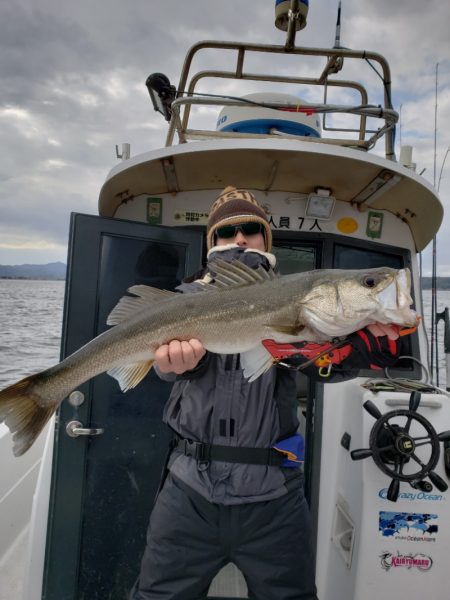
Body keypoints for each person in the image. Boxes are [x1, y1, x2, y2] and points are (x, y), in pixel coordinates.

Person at [129, 186, 401, 600]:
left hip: (275, 495)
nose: (239, 238)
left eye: (251, 228)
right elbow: (171, 369)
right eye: (226, 231)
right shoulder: (185, 300)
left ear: (265, 239)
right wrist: (178, 366)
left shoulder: (298, 298)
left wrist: (355, 348)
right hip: (189, 490)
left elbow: (313, 362)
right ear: (212, 243)